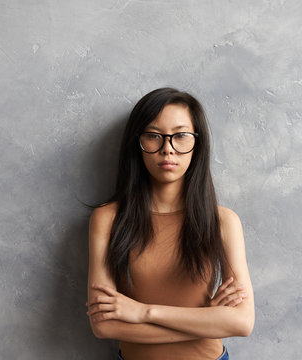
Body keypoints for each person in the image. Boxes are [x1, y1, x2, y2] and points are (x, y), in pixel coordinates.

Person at [86, 88, 255, 360]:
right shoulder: (107, 219)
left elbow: (242, 322)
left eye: (180, 136)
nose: (168, 148)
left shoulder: (223, 221)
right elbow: (104, 324)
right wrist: (206, 321)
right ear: (137, 144)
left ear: (196, 145)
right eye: (153, 136)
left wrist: (144, 312)